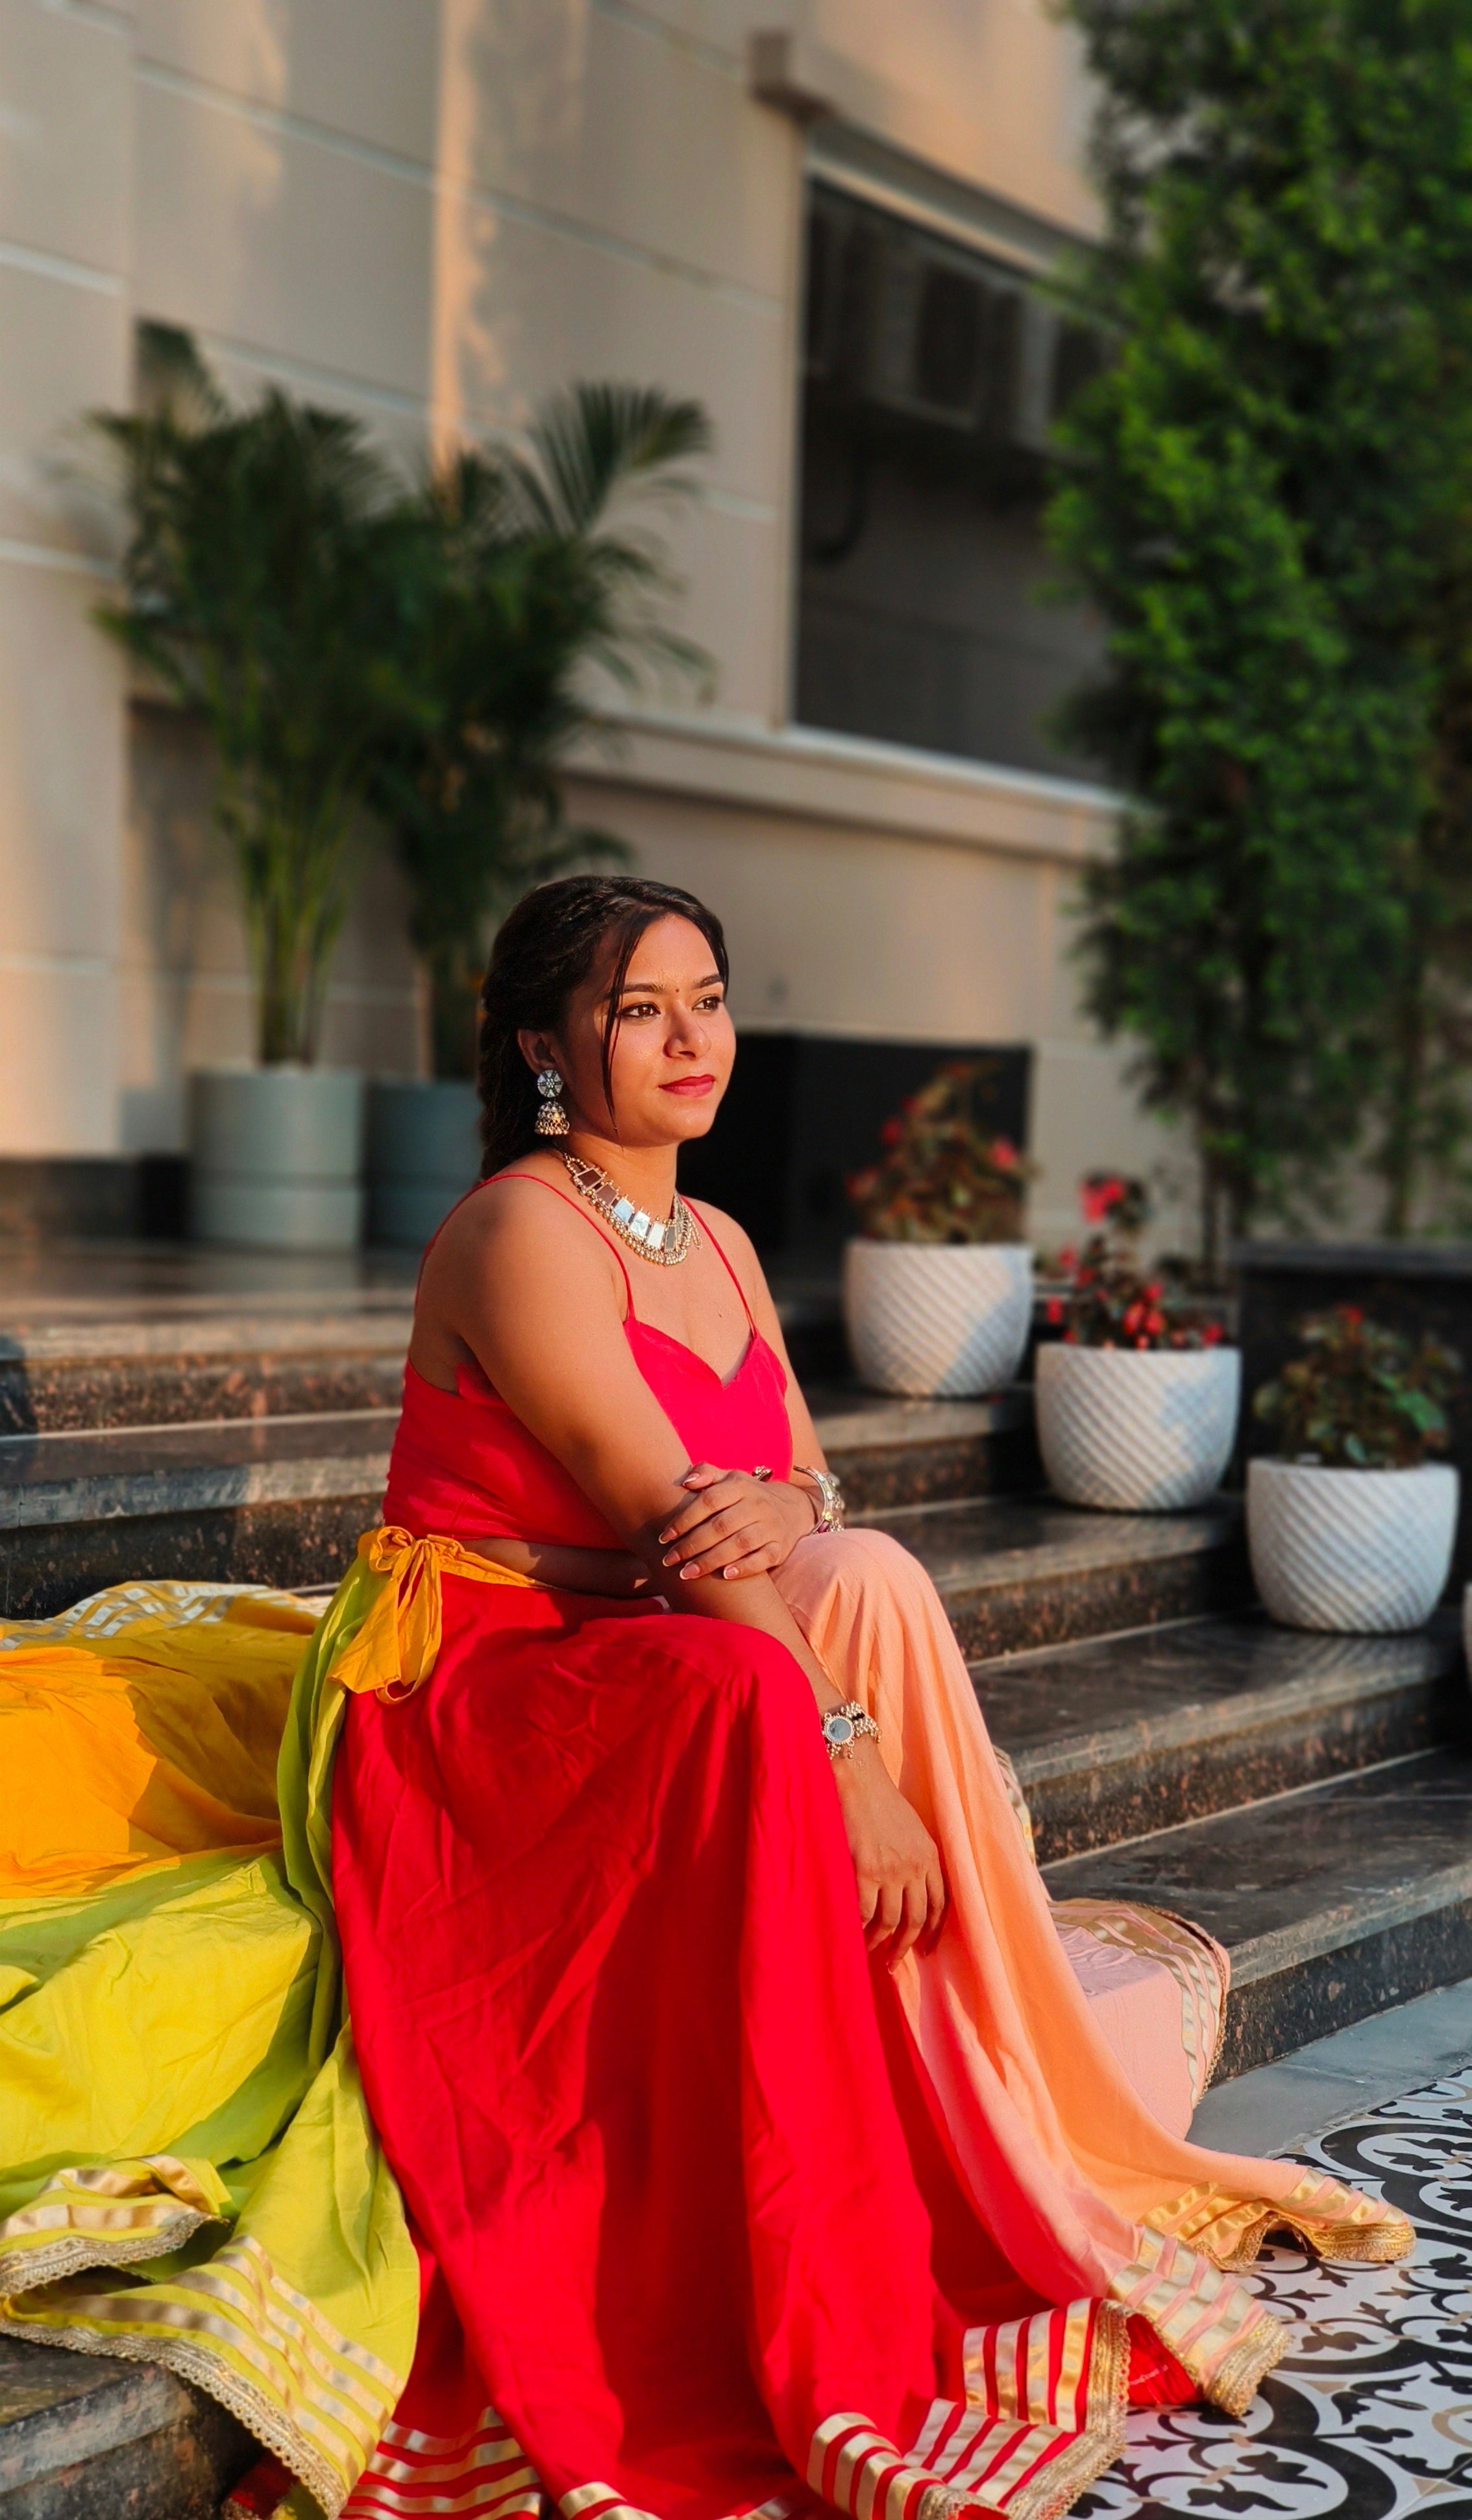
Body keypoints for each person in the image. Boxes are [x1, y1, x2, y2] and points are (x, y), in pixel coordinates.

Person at [0, 878, 1410, 2520]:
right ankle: (800, 2239)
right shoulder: (524, 1226)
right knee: (758, 1670)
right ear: (545, 1045)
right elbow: (670, 1510)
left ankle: (976, 2118)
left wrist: (809, 1516)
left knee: (870, 1572)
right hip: (482, 1686)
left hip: (650, 1634)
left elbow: (795, 1476)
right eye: (638, 1007)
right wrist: (853, 1753)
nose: (690, 1038)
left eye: (710, 998)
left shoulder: (725, 1238)